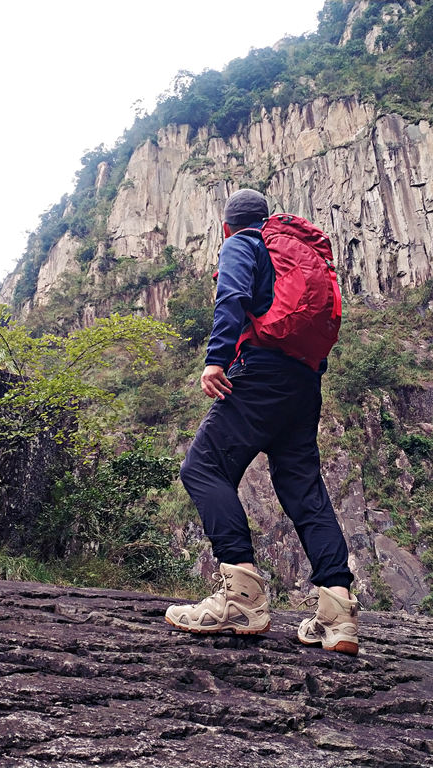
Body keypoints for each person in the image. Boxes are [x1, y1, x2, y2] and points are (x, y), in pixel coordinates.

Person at [164, 189, 359, 656]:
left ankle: (241, 601)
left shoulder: (241, 244)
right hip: (304, 383)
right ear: (268, 219)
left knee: (202, 470)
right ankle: (338, 614)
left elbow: (231, 297)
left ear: (227, 226)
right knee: (304, 491)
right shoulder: (295, 253)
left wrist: (215, 361)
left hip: (261, 374)